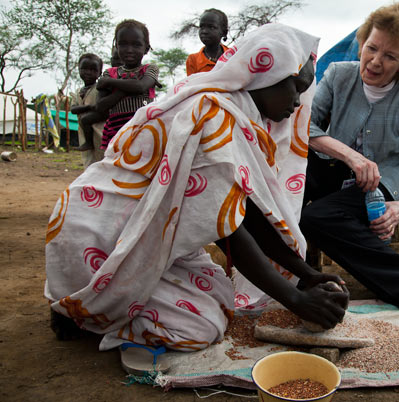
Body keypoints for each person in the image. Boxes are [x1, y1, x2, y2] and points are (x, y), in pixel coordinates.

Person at [45, 24, 348, 361]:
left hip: (137, 230)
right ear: (267, 73)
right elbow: (228, 232)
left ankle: (88, 303)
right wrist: (295, 300)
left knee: (218, 294)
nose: (296, 102)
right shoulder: (214, 116)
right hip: (99, 234)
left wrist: (308, 276)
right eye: (294, 88)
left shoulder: (234, 112)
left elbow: (242, 211)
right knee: (202, 325)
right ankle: (85, 309)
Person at [300, 2, 399, 310]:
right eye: (372, 48)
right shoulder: (339, 75)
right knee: (288, 184)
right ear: (362, 42)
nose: (375, 61)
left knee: (317, 217)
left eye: (390, 56)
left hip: (376, 185)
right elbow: (306, 127)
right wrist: (350, 156)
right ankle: (288, 274)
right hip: (333, 167)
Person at [97, 19, 159, 150]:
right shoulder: (109, 73)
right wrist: (126, 89)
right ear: (117, 47)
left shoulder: (150, 69)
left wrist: (111, 83)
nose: (129, 50)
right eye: (123, 44)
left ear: (146, 48)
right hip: (116, 133)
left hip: (145, 132)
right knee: (116, 169)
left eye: (136, 45)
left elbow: (141, 87)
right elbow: (101, 106)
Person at [70, 54, 106, 163]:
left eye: (93, 70)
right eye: (84, 69)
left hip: (100, 131)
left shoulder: (100, 89)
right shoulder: (77, 92)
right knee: (88, 160)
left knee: (102, 159)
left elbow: (102, 108)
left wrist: (83, 109)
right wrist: (89, 107)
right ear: (79, 69)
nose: (88, 73)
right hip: (84, 133)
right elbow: (73, 109)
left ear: (99, 73)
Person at [186, 8, 229, 75]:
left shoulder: (233, 56)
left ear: (224, 32)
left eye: (211, 27)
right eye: (202, 27)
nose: (204, 31)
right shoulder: (193, 60)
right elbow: (192, 84)